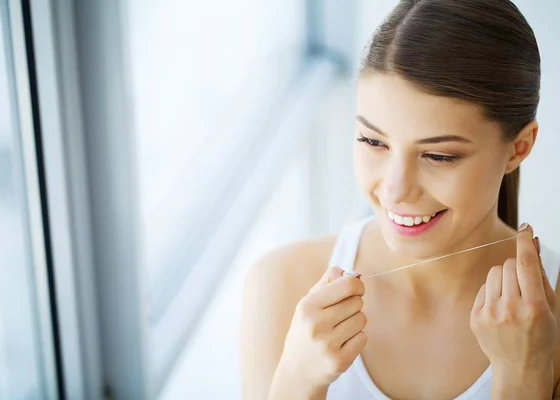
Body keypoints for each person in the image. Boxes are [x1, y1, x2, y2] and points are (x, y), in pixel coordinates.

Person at [240, 0, 560, 399]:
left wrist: (524, 375)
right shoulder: (282, 284)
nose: (394, 190)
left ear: (518, 148)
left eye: (438, 155)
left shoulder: (550, 318)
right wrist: (297, 381)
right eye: (373, 141)